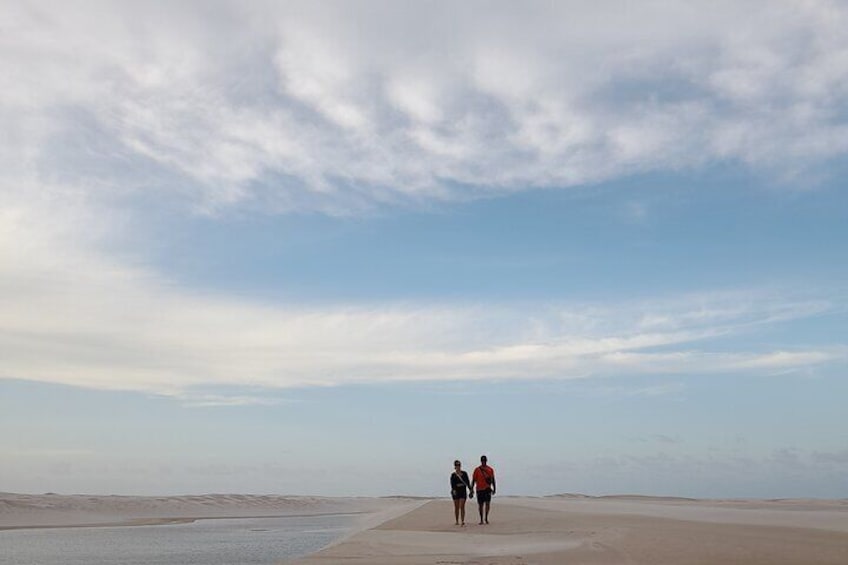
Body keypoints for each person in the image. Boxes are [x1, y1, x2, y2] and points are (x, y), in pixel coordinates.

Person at [472, 455, 496, 524]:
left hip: (487, 489)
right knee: (480, 505)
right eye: (482, 461)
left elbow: (493, 479)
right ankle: (481, 519)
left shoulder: (490, 469)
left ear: (486, 461)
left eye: (484, 461)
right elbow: (473, 480)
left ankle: (486, 518)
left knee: (487, 504)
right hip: (479, 489)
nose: (483, 462)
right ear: (481, 461)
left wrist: (494, 488)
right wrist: (471, 489)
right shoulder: (477, 470)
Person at [450, 460, 473, 525]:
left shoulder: (464, 473)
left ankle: (462, 520)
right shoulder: (453, 475)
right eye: (457, 465)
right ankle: (457, 521)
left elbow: (467, 482)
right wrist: (454, 490)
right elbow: (452, 484)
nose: (458, 466)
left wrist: (471, 490)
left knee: (462, 506)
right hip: (456, 492)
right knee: (456, 507)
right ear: (455, 466)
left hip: (463, 491)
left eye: (459, 465)